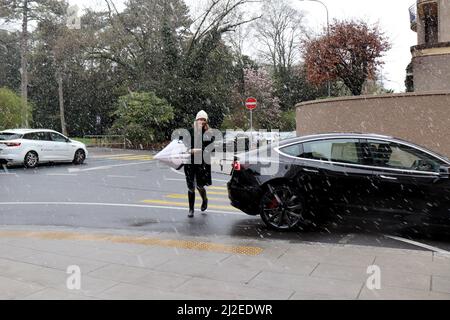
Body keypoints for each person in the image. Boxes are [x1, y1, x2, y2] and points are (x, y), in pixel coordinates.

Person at [183, 110, 215, 218]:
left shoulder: (208, 133)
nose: (201, 121)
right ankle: (191, 209)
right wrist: (190, 150)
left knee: (200, 185)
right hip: (189, 162)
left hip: (202, 163)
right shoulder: (189, 131)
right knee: (190, 186)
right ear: (196, 120)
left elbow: (211, 147)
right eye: (200, 119)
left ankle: (204, 199)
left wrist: (199, 150)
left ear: (206, 121)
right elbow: (183, 145)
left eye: (203, 119)